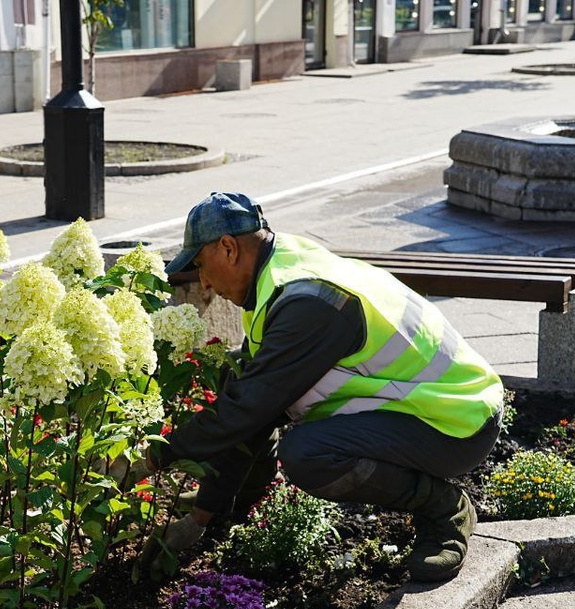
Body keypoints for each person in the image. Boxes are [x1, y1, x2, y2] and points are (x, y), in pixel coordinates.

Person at [140, 191, 504, 583]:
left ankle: (445, 509)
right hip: (417, 408)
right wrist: (202, 516)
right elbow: (251, 405)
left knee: (308, 454)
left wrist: (152, 457)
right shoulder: (282, 267)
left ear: (228, 248)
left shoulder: (309, 305)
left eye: (200, 266)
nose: (205, 283)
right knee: (242, 378)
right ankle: (237, 501)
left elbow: (247, 410)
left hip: (455, 423)